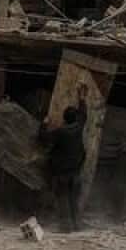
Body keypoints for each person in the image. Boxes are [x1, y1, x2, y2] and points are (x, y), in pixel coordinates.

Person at [42, 85, 89, 231]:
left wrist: (43, 124)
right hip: (75, 171)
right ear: (74, 118)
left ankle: (66, 227)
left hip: (62, 173)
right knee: (74, 199)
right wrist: (82, 98)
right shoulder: (79, 127)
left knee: (63, 199)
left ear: (64, 118)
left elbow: (43, 138)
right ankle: (77, 225)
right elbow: (84, 114)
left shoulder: (60, 132)